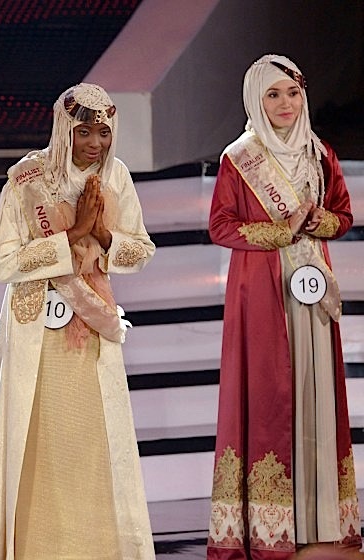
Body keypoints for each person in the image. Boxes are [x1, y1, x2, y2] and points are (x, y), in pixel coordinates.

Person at [0, 82, 156, 560]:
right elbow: (5, 263)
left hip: (91, 326)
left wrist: (105, 237)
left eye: (103, 132)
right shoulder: (27, 178)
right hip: (34, 328)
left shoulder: (117, 178)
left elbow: (142, 249)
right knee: (39, 441)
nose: (95, 143)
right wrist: (72, 235)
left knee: (90, 441)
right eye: (84, 132)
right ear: (64, 129)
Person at [207, 54, 361, 558]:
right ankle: (270, 525)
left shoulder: (319, 152)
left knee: (315, 390)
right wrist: (281, 230)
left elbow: (343, 215)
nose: (285, 103)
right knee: (270, 392)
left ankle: (319, 518)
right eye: (273, 94)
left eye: (292, 92)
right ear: (256, 99)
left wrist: (318, 222)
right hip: (262, 292)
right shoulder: (239, 158)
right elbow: (221, 226)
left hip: (313, 290)